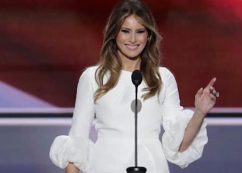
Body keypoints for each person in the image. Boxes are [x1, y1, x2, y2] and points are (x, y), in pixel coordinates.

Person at [49, 0, 219, 173]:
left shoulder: (162, 78)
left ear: (149, 36)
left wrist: (200, 112)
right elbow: (77, 142)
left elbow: (179, 146)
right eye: (125, 31)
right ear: (114, 33)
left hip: (152, 166)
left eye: (140, 32)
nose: (132, 39)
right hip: (105, 166)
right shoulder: (93, 78)